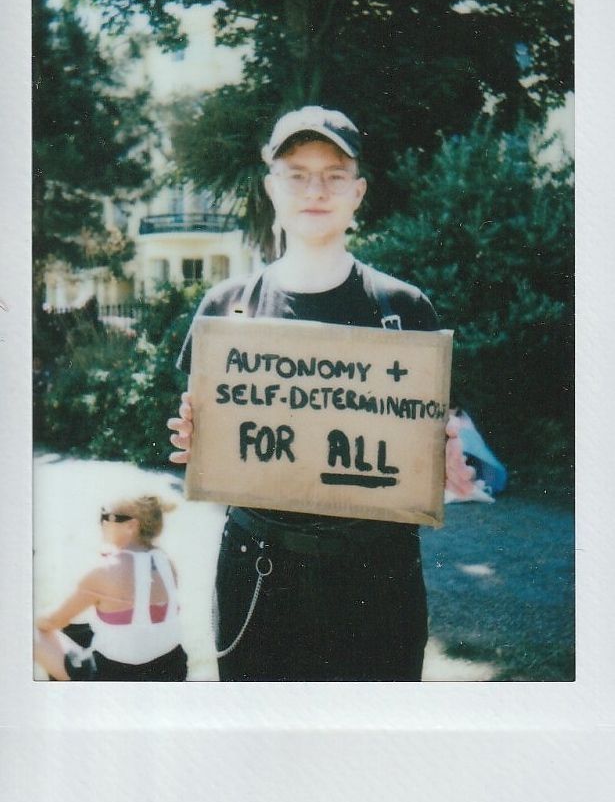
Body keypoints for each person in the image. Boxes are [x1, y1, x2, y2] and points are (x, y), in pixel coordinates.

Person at [168, 105, 475, 682]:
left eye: (334, 175)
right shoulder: (227, 308)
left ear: (358, 192)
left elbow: (425, 427)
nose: (316, 190)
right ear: (271, 188)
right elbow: (206, 429)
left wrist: (443, 452)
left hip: (378, 576)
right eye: (297, 175)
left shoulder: (403, 308)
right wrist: (194, 436)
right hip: (258, 572)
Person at [35, 495, 188, 681]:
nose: (102, 523)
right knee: (80, 630)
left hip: (114, 676)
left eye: (106, 517)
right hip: (171, 668)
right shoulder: (166, 562)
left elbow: (53, 621)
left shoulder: (103, 571)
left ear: (131, 525)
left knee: (34, 632)